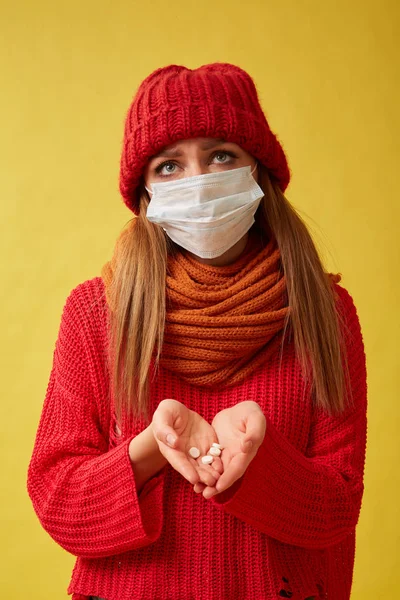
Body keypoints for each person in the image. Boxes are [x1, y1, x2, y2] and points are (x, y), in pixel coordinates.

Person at [27, 62, 368, 600]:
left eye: (221, 156)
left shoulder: (325, 313)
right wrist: (154, 449)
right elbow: (57, 501)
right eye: (168, 166)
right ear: (144, 191)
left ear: (259, 170)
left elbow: (338, 509)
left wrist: (257, 455)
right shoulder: (96, 314)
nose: (199, 182)